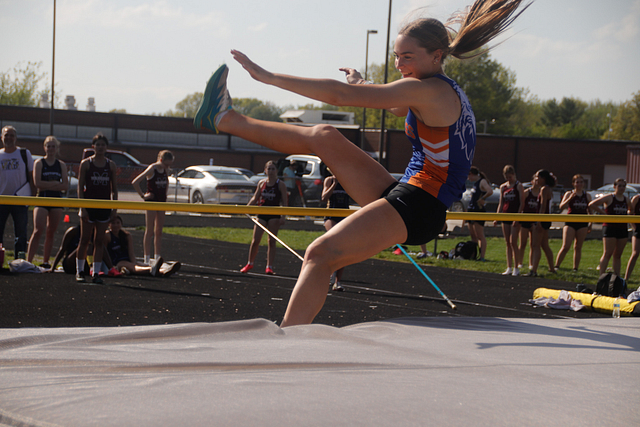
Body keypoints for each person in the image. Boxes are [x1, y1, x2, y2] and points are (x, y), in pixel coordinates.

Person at [194, 0, 529, 326]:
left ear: (437, 56)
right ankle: (225, 119)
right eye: (396, 56)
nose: (399, 64)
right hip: (408, 191)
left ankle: (288, 341)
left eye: (407, 57)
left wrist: (268, 77)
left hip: (421, 205)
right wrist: (361, 82)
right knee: (323, 136)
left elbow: (340, 97)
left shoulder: (431, 92)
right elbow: (394, 105)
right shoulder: (434, 89)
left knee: (319, 254)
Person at [75, 133, 119, 284]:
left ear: (107, 147)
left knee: (99, 241)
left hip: (104, 207)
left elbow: (114, 189)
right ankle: (80, 271)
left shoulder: (110, 165)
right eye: (98, 144)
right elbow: (80, 187)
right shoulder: (86, 163)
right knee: (84, 239)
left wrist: (114, 209)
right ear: (93, 146)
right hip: (89, 206)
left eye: (103, 145)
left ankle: (96, 273)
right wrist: (82, 207)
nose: (100, 147)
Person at [26, 136, 69, 268]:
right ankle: (29, 261)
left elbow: (65, 185)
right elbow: (38, 184)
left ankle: (45, 262)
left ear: (57, 148)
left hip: (56, 200)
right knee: (38, 230)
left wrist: (49, 185)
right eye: (48, 146)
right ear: (44, 148)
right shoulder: (39, 163)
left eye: (53, 146)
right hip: (42, 198)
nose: (50, 149)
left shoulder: (61, 165)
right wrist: (55, 183)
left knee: (51, 231)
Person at [240, 161, 288, 274]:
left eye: (273, 169)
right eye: (269, 169)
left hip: (274, 215)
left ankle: (269, 266)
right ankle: (250, 263)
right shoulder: (261, 183)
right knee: (255, 240)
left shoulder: (280, 184)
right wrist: (246, 208)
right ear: (265, 170)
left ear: (276, 171)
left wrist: (283, 217)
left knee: (271, 241)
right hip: (261, 213)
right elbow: (255, 197)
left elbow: (285, 202)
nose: (271, 171)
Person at [131, 150, 174, 266]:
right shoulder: (152, 168)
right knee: (149, 230)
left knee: (159, 231)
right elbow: (135, 182)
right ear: (161, 160)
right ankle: (146, 258)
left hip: (161, 202)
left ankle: (157, 257)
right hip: (152, 202)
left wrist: (165, 195)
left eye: (169, 165)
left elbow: (166, 182)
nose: (168, 167)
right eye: (166, 164)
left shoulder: (165, 170)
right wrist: (143, 195)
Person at [105, 215, 181, 277]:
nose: (115, 225)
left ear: (121, 224)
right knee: (134, 267)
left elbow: (131, 253)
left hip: (128, 260)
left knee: (142, 265)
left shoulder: (126, 235)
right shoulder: (107, 235)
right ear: (109, 224)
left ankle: (164, 271)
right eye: (113, 223)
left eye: (118, 223)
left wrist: (134, 262)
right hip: (117, 263)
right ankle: (153, 270)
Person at [0, 126, 35, 259]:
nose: (9, 138)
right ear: (2, 137)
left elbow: (31, 176)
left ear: (16, 138)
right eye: (6, 135)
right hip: (2, 199)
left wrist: (32, 196)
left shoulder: (24, 154)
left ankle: (19, 261)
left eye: (11, 135)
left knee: (21, 234)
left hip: (20, 199)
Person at [589, 178, 629, 277]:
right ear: (614, 187)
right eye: (619, 186)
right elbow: (592, 204)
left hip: (622, 228)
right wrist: (604, 213)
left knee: (618, 255)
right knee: (608, 253)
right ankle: (601, 276)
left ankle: (617, 277)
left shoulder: (626, 199)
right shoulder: (609, 197)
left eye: (623, 186)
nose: (622, 188)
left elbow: (631, 209)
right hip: (610, 227)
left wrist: (628, 215)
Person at [554, 174, 592, 271]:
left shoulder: (587, 195)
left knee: (578, 247)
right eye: (577, 182)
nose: (579, 184)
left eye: (581, 182)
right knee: (566, 246)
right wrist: (570, 198)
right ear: (573, 184)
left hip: (582, 222)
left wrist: (591, 223)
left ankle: (575, 268)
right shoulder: (569, 193)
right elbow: (561, 207)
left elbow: (590, 211)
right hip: (570, 222)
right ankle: (556, 266)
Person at [321, 170, 351, 291]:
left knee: (342, 249)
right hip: (331, 216)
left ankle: (337, 281)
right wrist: (334, 184)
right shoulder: (329, 180)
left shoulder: (347, 181)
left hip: (344, 216)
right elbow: (324, 198)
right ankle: (330, 272)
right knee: (334, 239)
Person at [527, 169, 556, 277]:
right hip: (546, 219)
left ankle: (533, 270)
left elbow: (543, 206)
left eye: (538, 177)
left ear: (543, 178)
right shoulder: (547, 189)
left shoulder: (544, 189)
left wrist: (538, 221)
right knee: (544, 245)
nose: (536, 179)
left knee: (535, 245)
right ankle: (552, 268)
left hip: (542, 219)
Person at [496, 165, 524, 276]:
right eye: (507, 177)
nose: (509, 179)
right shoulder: (503, 187)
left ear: (514, 175)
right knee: (507, 242)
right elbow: (501, 203)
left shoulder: (518, 186)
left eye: (510, 177)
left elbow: (522, 202)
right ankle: (509, 267)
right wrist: (497, 216)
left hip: (514, 215)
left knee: (513, 242)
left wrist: (518, 216)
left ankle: (516, 267)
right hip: (505, 215)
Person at [466, 167, 493, 261]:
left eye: (468, 175)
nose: (468, 178)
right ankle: (473, 255)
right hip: (471, 210)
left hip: (478, 210)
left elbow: (490, 191)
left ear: (472, 174)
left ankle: (482, 257)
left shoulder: (482, 181)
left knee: (479, 235)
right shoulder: (475, 183)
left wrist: (482, 199)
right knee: (473, 235)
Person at [517, 174, 540, 271]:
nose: (537, 183)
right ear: (532, 182)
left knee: (533, 244)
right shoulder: (527, 192)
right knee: (522, 243)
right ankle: (520, 262)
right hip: (525, 220)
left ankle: (531, 263)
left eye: (539, 181)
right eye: (536, 180)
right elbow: (521, 204)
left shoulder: (541, 194)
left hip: (534, 220)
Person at [624, 193, 640, 281]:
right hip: (638, 229)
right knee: (635, 253)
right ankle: (626, 278)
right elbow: (630, 213)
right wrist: (634, 227)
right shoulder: (637, 198)